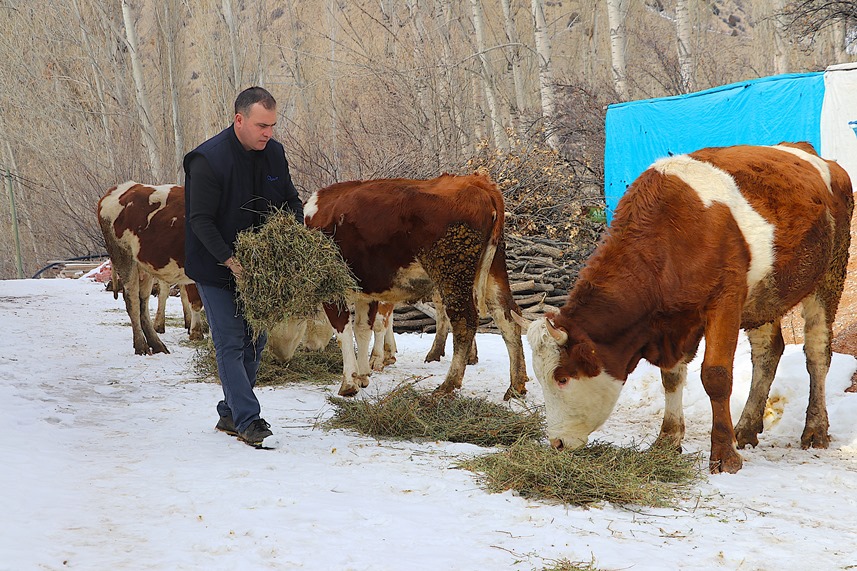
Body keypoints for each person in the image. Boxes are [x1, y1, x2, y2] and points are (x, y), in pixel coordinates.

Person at [183, 86, 303, 448]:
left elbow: (290, 201)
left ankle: (228, 412)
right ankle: (249, 421)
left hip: (259, 268)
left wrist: (291, 236)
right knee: (231, 341)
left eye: (272, 125)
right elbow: (200, 221)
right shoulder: (207, 160)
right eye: (261, 125)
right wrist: (230, 260)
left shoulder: (275, 154)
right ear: (240, 119)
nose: (268, 132)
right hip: (215, 265)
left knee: (256, 340)